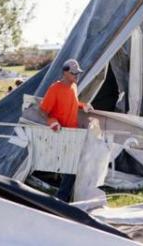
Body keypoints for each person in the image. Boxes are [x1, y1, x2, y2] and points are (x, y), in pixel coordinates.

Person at [40, 59, 94, 202]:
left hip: (73, 133)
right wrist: (52, 121)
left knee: (70, 168)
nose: (76, 76)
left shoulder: (74, 86)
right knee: (70, 169)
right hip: (61, 133)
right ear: (65, 72)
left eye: (77, 73)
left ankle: (64, 199)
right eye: (73, 73)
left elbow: (74, 104)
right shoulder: (55, 89)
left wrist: (83, 106)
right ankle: (62, 201)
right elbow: (44, 110)